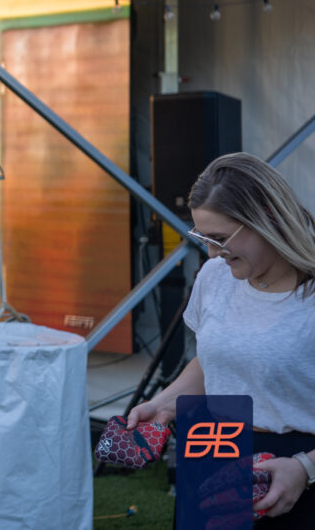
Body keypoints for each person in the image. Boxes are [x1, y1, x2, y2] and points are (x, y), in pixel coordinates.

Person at [127, 152, 315, 527]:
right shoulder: (215, 276)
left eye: (220, 238)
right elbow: (215, 360)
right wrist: (164, 404)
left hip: (294, 463)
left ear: (267, 216)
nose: (212, 253)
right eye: (202, 237)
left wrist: (304, 468)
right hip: (214, 444)